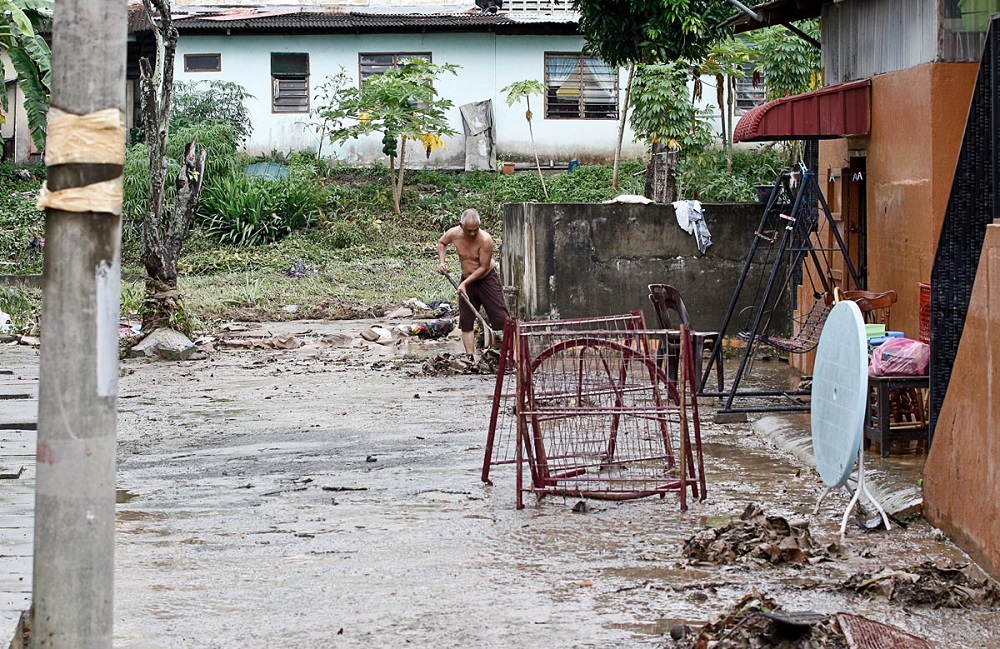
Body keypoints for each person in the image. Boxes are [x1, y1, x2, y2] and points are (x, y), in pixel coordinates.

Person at [436, 208, 510, 355]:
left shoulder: (485, 240)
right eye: (468, 230)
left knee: (501, 319)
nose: (472, 234)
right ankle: (470, 357)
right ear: (461, 225)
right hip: (467, 280)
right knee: (466, 320)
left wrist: (464, 284)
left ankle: (512, 355)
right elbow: (442, 243)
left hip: (486, 279)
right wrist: (442, 262)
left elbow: (483, 267)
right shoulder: (454, 233)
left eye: (475, 230)